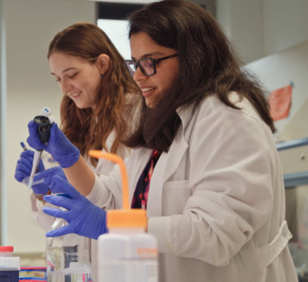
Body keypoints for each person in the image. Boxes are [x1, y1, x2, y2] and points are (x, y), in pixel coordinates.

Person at [26, 1, 297, 281]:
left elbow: (216, 233)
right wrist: (69, 160)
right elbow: (113, 194)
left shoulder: (228, 118)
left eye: (150, 62)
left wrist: (110, 225)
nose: (138, 76)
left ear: (194, 55)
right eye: (135, 63)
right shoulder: (168, 121)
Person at [14, 22, 141, 280]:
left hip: (126, 264)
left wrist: (70, 164)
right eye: (59, 79)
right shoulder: (80, 121)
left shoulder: (138, 114)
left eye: (72, 75)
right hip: (87, 270)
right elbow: (67, 227)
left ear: (102, 64)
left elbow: (116, 201)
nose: (64, 87)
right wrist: (44, 193)